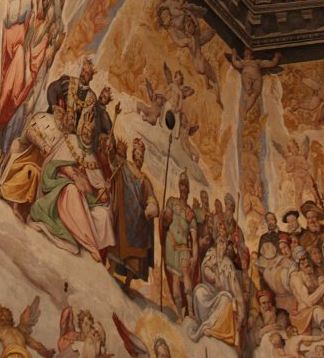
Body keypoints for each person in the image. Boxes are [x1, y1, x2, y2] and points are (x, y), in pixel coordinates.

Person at [29, 107, 115, 262]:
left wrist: (105, 192)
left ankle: (92, 251)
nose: (88, 134)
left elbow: (100, 194)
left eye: (91, 132)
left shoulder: (92, 157)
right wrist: (75, 176)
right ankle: (90, 245)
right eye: (86, 129)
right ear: (81, 127)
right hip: (59, 186)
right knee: (72, 190)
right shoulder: (71, 141)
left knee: (103, 216)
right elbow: (54, 164)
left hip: (85, 197)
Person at [109, 137, 159, 289]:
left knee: (142, 236)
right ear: (132, 154)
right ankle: (110, 270)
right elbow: (113, 163)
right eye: (137, 153)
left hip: (138, 220)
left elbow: (151, 197)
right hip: (125, 212)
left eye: (141, 155)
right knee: (118, 233)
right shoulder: (125, 166)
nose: (139, 157)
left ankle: (128, 283)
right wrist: (118, 152)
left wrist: (151, 206)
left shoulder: (145, 179)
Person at [162, 170, 198, 318]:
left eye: (185, 186)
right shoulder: (171, 202)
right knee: (176, 282)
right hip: (171, 244)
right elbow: (166, 221)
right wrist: (164, 216)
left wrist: (194, 255)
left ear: (188, 190)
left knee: (186, 277)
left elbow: (194, 237)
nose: (183, 188)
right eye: (181, 185)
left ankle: (190, 313)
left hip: (184, 248)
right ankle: (179, 315)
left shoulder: (190, 212)